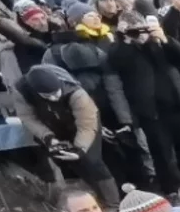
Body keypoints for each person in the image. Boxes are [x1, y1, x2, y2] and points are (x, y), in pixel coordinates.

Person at [16, 64, 120, 204]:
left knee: (92, 161)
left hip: (84, 123)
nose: (53, 98)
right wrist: (48, 137)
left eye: (56, 92)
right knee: (71, 162)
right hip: (51, 125)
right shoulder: (22, 91)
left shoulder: (76, 93)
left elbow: (87, 124)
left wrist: (80, 149)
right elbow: (28, 117)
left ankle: (114, 203)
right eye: (47, 96)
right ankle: (96, 199)